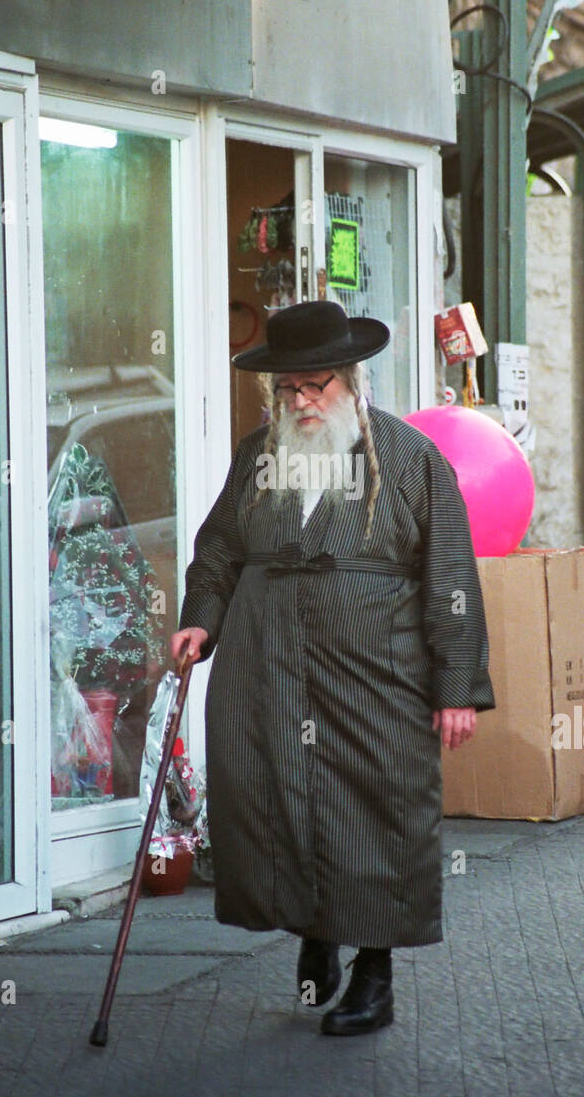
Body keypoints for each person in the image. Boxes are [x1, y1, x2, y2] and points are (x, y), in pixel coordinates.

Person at [171, 300, 494, 1037]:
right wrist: (201, 615)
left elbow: (450, 574)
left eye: (317, 385)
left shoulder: (409, 459)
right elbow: (219, 547)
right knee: (277, 798)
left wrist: (457, 689)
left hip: (375, 672)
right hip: (267, 664)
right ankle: (316, 932)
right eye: (289, 389)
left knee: (378, 812)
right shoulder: (258, 456)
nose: (303, 401)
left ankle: (373, 976)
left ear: (351, 382)